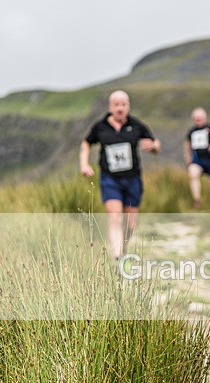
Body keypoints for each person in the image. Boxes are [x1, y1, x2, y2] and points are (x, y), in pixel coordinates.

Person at [80, 90, 160, 260]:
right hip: (110, 179)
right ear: (110, 107)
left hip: (132, 179)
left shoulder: (137, 125)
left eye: (123, 104)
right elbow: (86, 143)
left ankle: (123, 248)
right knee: (115, 216)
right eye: (116, 104)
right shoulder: (100, 127)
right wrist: (84, 164)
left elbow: (155, 143)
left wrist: (153, 147)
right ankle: (117, 257)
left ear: (128, 106)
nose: (120, 108)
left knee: (130, 223)